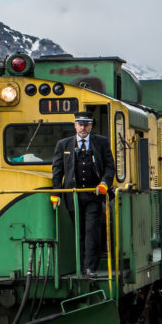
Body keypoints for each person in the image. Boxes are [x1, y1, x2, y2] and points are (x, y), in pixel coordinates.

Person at [51, 111, 116, 277]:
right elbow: (57, 171)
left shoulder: (101, 142)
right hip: (73, 195)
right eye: (79, 124)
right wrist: (56, 194)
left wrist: (104, 183)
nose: (82, 127)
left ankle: (90, 268)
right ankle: (80, 266)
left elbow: (110, 167)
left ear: (91, 125)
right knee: (78, 231)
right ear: (75, 125)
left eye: (86, 124)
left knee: (91, 230)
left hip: (93, 195)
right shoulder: (63, 144)